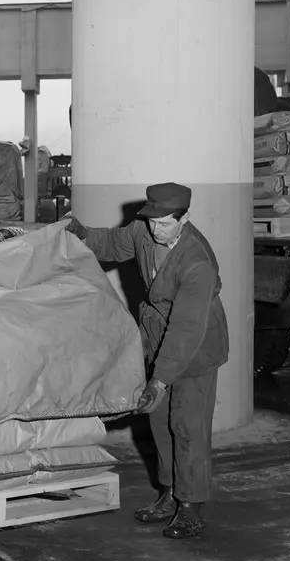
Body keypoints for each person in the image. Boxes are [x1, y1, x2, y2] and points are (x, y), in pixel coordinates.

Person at [65, 182, 228, 540]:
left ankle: (191, 506)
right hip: (158, 336)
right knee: (158, 423)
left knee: (188, 427)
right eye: (153, 221)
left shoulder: (196, 261)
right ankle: (170, 494)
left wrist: (159, 380)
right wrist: (81, 233)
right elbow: (112, 243)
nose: (156, 229)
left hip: (195, 348)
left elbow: (186, 328)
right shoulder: (144, 229)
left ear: (184, 220)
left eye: (165, 223)